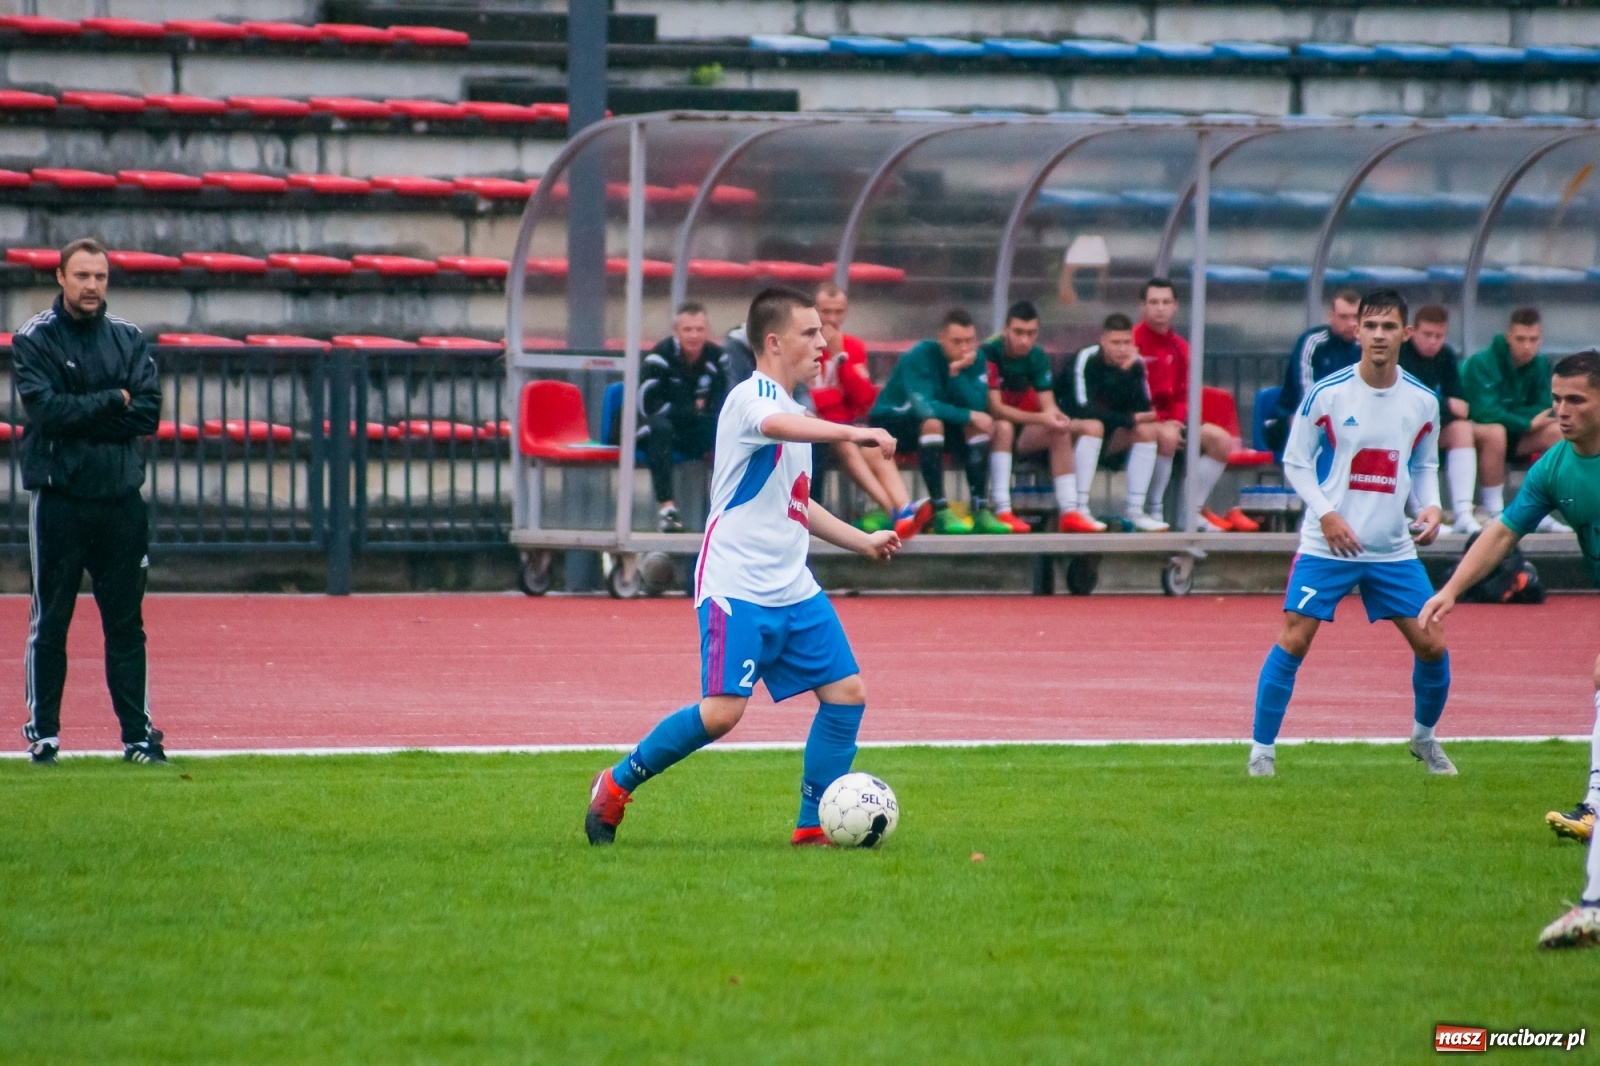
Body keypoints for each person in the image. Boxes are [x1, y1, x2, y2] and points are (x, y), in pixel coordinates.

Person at [585, 287, 902, 847]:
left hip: (793, 588)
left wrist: (863, 542)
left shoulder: (798, 414)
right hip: (737, 588)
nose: (824, 342)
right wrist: (854, 430)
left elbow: (796, 505)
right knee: (723, 713)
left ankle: (812, 827)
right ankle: (616, 782)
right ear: (774, 342)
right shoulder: (749, 400)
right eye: (811, 332)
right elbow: (779, 428)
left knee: (847, 693)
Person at [1418, 350, 1600, 949]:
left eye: (1577, 400)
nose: (1561, 411)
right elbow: (1500, 532)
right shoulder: (1555, 467)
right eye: (1557, 398)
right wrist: (1451, 589)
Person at [1247, 289, 1453, 779]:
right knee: (1294, 639)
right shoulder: (1329, 392)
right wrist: (1324, 514)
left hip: (1391, 549)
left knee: (1433, 646)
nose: (1378, 335)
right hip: (1328, 545)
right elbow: (1295, 461)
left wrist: (1431, 505)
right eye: (1370, 326)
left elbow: (1424, 463)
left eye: (1388, 327)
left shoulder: (1423, 401)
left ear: (1405, 333)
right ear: (1357, 331)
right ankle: (1261, 752)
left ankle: (1424, 740)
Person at [13, 237, 165, 765]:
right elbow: (48, 413)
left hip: (121, 499)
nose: (92, 286)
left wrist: (91, 412)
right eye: (81, 276)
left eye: (99, 277)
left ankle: (139, 737)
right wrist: (111, 400)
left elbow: (146, 414)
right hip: (60, 499)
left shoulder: (128, 338)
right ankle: (44, 733)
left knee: (126, 623)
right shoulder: (34, 340)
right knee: (50, 620)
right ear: (60, 277)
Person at [868, 308, 1011, 536]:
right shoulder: (919, 355)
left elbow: (976, 405)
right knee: (934, 422)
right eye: (956, 341)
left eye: (969, 341)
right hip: (895, 422)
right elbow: (924, 407)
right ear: (941, 338)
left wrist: (956, 374)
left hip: (940, 423)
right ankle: (940, 508)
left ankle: (980, 508)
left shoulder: (976, 359)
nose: (964, 348)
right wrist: (969, 415)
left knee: (975, 425)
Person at [1134, 277, 1257, 533]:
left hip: (1173, 421)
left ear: (1175, 306)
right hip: (1140, 421)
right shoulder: (1132, 343)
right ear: (1142, 306)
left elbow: (1183, 395)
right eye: (1154, 302)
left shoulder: (1181, 347)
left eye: (1166, 302)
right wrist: (1160, 424)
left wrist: (1175, 422)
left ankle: (1191, 511)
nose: (1160, 308)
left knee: (1219, 440)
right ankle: (1154, 510)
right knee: (1166, 437)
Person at [981, 300, 1104, 534]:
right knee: (1004, 425)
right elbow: (995, 409)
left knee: (1059, 430)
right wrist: (1042, 419)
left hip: (1021, 432)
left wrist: (1057, 418)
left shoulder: (1037, 355)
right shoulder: (989, 352)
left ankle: (1070, 511)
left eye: (1031, 333)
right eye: (1018, 332)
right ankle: (1002, 509)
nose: (1025, 340)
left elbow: (1048, 406)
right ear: (1005, 329)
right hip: (986, 431)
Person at [811, 283, 918, 535]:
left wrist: (840, 358)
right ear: (815, 311)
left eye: (839, 312)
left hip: (847, 427)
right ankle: (892, 510)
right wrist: (836, 397)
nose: (833, 319)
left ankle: (905, 511)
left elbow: (863, 398)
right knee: (844, 440)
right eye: (826, 312)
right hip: (817, 430)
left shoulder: (853, 347)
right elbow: (809, 399)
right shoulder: (806, 344)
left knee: (875, 446)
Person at [1461, 307, 1569, 531]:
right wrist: (1527, 422)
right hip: (1478, 436)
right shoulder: (1482, 362)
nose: (1527, 346)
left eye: (1533, 339)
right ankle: (1494, 511)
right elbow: (1485, 411)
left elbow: (1544, 407)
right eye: (1520, 339)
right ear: (1509, 336)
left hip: (1518, 436)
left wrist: (1528, 421)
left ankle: (1538, 509)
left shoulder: (1540, 364)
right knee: (1496, 431)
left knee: (1557, 431)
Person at [1056, 314, 1164, 530]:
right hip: (1070, 433)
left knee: (1147, 432)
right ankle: (1081, 507)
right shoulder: (1086, 358)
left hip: (1111, 434)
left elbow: (1144, 410)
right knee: (1093, 426)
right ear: (1102, 340)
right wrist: (1128, 418)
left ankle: (1135, 510)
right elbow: (1082, 408)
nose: (1122, 349)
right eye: (1115, 343)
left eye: (1127, 343)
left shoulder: (1135, 364)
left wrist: (1127, 374)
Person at [1399, 304, 1491, 534]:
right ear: (1413, 332)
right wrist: (1443, 404)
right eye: (1427, 334)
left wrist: (1442, 407)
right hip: (1403, 429)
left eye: (1439, 336)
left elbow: (1461, 406)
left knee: (1462, 429)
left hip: (1432, 427)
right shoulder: (1400, 354)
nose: (1433, 341)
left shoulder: (1446, 356)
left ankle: (1463, 513)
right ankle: (1420, 513)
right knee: (1405, 430)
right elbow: (1401, 401)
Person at [639, 302, 727, 532]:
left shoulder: (717, 358)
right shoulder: (659, 357)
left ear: (707, 331)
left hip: (693, 429)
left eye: (699, 329)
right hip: (657, 430)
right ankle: (667, 510)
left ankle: (725, 510)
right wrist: (692, 408)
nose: (694, 335)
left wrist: (686, 408)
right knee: (661, 428)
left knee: (724, 430)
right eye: (688, 330)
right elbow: (648, 406)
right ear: (676, 331)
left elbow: (721, 404)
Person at [1263, 289, 1362, 453]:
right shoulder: (1313, 342)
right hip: (1293, 418)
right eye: (1344, 317)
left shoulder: (1366, 345)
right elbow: (1306, 391)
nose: (1351, 323)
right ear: (1330, 316)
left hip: (1348, 421)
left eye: (1356, 317)